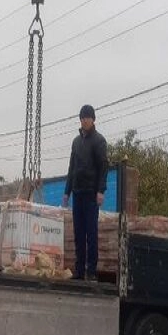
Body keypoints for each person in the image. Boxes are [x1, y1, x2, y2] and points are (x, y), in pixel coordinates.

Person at [62, 105, 108, 280]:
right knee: (79, 233)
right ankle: (79, 270)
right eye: (82, 118)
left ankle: (92, 271)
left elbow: (103, 167)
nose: (84, 120)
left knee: (91, 233)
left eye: (87, 117)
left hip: (91, 193)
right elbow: (71, 168)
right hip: (77, 192)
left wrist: (100, 190)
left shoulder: (99, 141)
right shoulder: (76, 142)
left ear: (93, 119)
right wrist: (67, 192)